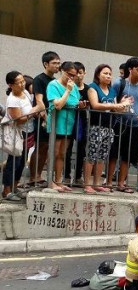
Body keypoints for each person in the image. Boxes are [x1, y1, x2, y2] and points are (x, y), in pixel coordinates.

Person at [83, 64, 130, 194]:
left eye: (110, 73)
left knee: (102, 156)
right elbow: (95, 105)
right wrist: (116, 104)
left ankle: (97, 183)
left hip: (109, 127)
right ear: (98, 74)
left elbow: (115, 109)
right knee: (91, 155)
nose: (108, 76)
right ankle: (87, 184)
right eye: (105, 73)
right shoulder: (93, 88)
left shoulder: (112, 91)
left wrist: (123, 106)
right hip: (95, 126)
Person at [107, 57, 138, 193]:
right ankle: (108, 182)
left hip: (135, 126)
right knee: (113, 153)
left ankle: (121, 183)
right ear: (130, 69)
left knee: (127, 156)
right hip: (118, 123)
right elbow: (110, 101)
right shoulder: (120, 83)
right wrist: (120, 105)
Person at [2, 72, 38, 201]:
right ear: (11, 85)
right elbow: (18, 119)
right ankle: (6, 190)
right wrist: (33, 112)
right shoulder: (12, 99)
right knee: (13, 162)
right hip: (17, 133)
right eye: (19, 82)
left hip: (28, 131)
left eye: (23, 81)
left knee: (22, 161)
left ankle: (14, 187)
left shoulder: (26, 93)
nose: (23, 84)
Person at [46, 61, 81, 192]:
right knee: (54, 153)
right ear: (62, 71)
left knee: (62, 153)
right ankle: (51, 181)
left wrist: (79, 104)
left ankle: (59, 181)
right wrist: (67, 91)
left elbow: (74, 102)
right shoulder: (53, 85)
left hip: (69, 123)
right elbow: (58, 105)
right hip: (56, 123)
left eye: (74, 75)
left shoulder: (74, 87)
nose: (71, 78)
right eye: (69, 74)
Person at [28, 51, 60, 188]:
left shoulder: (56, 81)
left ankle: (39, 175)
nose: (57, 66)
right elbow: (39, 102)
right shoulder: (39, 79)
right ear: (45, 64)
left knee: (46, 147)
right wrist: (46, 119)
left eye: (58, 63)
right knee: (40, 146)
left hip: (54, 119)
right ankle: (33, 176)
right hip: (43, 118)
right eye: (54, 63)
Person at [63, 61, 89, 186]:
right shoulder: (69, 87)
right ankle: (66, 175)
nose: (78, 76)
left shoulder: (88, 89)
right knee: (67, 149)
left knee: (81, 149)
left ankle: (78, 176)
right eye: (75, 73)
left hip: (82, 121)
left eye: (80, 73)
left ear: (84, 73)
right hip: (69, 119)